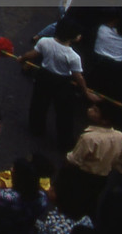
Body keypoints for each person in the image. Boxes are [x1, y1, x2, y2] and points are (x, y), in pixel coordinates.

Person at [21, 18, 100, 151]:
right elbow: (78, 76)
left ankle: (36, 128)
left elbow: (32, 54)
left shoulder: (44, 42)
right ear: (73, 37)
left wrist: (22, 58)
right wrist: (86, 91)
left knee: (39, 103)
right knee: (64, 112)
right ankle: (65, 141)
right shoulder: (73, 56)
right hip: (62, 83)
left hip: (44, 76)